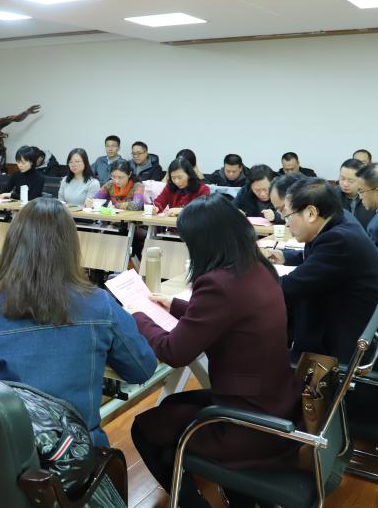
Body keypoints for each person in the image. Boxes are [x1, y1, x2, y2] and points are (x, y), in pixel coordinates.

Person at [128, 195, 302, 506]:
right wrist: (175, 305)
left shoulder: (218, 283)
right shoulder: (258, 268)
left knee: (145, 427)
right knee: (172, 405)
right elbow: (230, 316)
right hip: (277, 402)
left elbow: (173, 352)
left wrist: (138, 317)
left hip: (247, 422)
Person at [0, 198, 157, 447]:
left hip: (3, 457)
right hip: (77, 456)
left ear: (12, 245)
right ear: (70, 248)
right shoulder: (100, 305)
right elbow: (141, 368)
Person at [264, 179, 378, 380]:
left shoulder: (338, 241)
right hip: (363, 333)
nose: (286, 222)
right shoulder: (339, 220)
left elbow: (290, 287)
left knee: (264, 352)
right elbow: (319, 261)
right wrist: (286, 257)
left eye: (287, 215)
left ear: (311, 213)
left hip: (357, 352)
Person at [337, 158, 375, 229]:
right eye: (342, 178)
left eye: (350, 181)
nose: (345, 184)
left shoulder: (372, 197)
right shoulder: (332, 195)